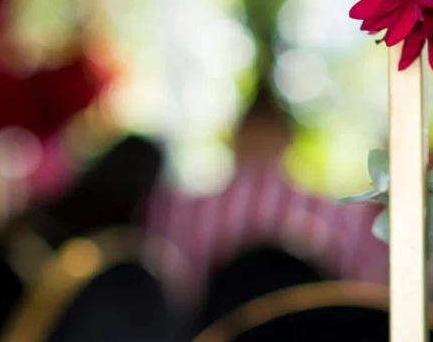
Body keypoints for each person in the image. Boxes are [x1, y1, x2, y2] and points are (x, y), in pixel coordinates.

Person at [143, 85, 385, 314]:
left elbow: (169, 296)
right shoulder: (340, 217)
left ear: (235, 138)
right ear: (288, 140)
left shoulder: (183, 214)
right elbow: (367, 291)